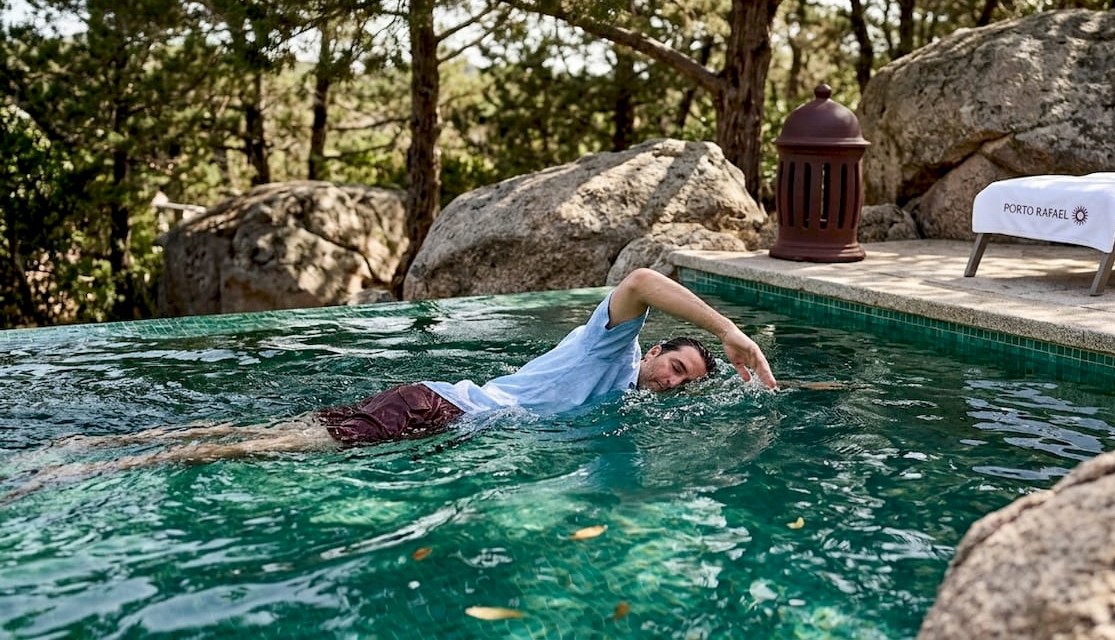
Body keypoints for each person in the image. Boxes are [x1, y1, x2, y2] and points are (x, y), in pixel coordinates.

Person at [8, 268, 777, 492]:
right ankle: (92, 468)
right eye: (672, 364)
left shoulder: (620, 393)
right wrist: (730, 333)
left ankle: (95, 447)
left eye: (683, 381)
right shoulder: (604, 351)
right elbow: (642, 276)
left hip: (427, 404)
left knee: (264, 439)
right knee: (265, 450)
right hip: (434, 413)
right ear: (650, 351)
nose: (671, 381)